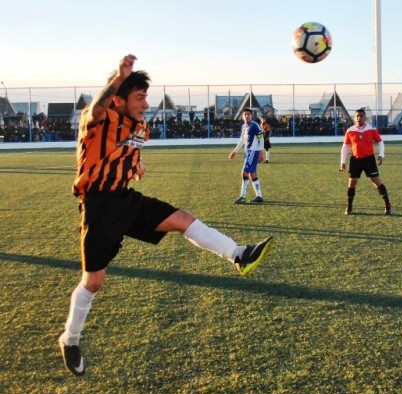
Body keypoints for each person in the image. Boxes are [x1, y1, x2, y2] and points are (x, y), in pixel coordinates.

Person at [59, 55, 275, 376]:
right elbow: (97, 108)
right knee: (93, 282)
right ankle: (70, 338)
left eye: (146, 96)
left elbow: (128, 153)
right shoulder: (99, 119)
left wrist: (137, 166)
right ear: (119, 98)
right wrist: (118, 77)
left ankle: (239, 255)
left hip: (125, 199)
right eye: (139, 97)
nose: (146, 103)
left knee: (182, 219)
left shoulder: (140, 127)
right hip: (99, 206)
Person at [340, 108, 393, 215]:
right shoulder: (350, 130)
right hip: (355, 160)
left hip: (369, 159)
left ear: (365, 117)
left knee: (376, 181)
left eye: (361, 116)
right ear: (354, 118)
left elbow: (380, 142)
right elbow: (345, 146)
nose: (359, 118)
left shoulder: (371, 129)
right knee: (352, 183)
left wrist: (381, 155)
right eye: (357, 116)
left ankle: (388, 205)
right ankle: (349, 207)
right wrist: (343, 161)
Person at [228, 108, 265, 204]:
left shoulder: (255, 125)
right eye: (245, 114)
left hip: (253, 152)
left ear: (251, 115)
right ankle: (259, 196)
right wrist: (234, 151)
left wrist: (261, 152)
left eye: (248, 114)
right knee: (252, 174)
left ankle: (242, 196)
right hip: (247, 152)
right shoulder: (244, 126)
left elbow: (261, 138)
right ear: (242, 116)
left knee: (244, 173)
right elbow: (242, 140)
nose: (247, 116)